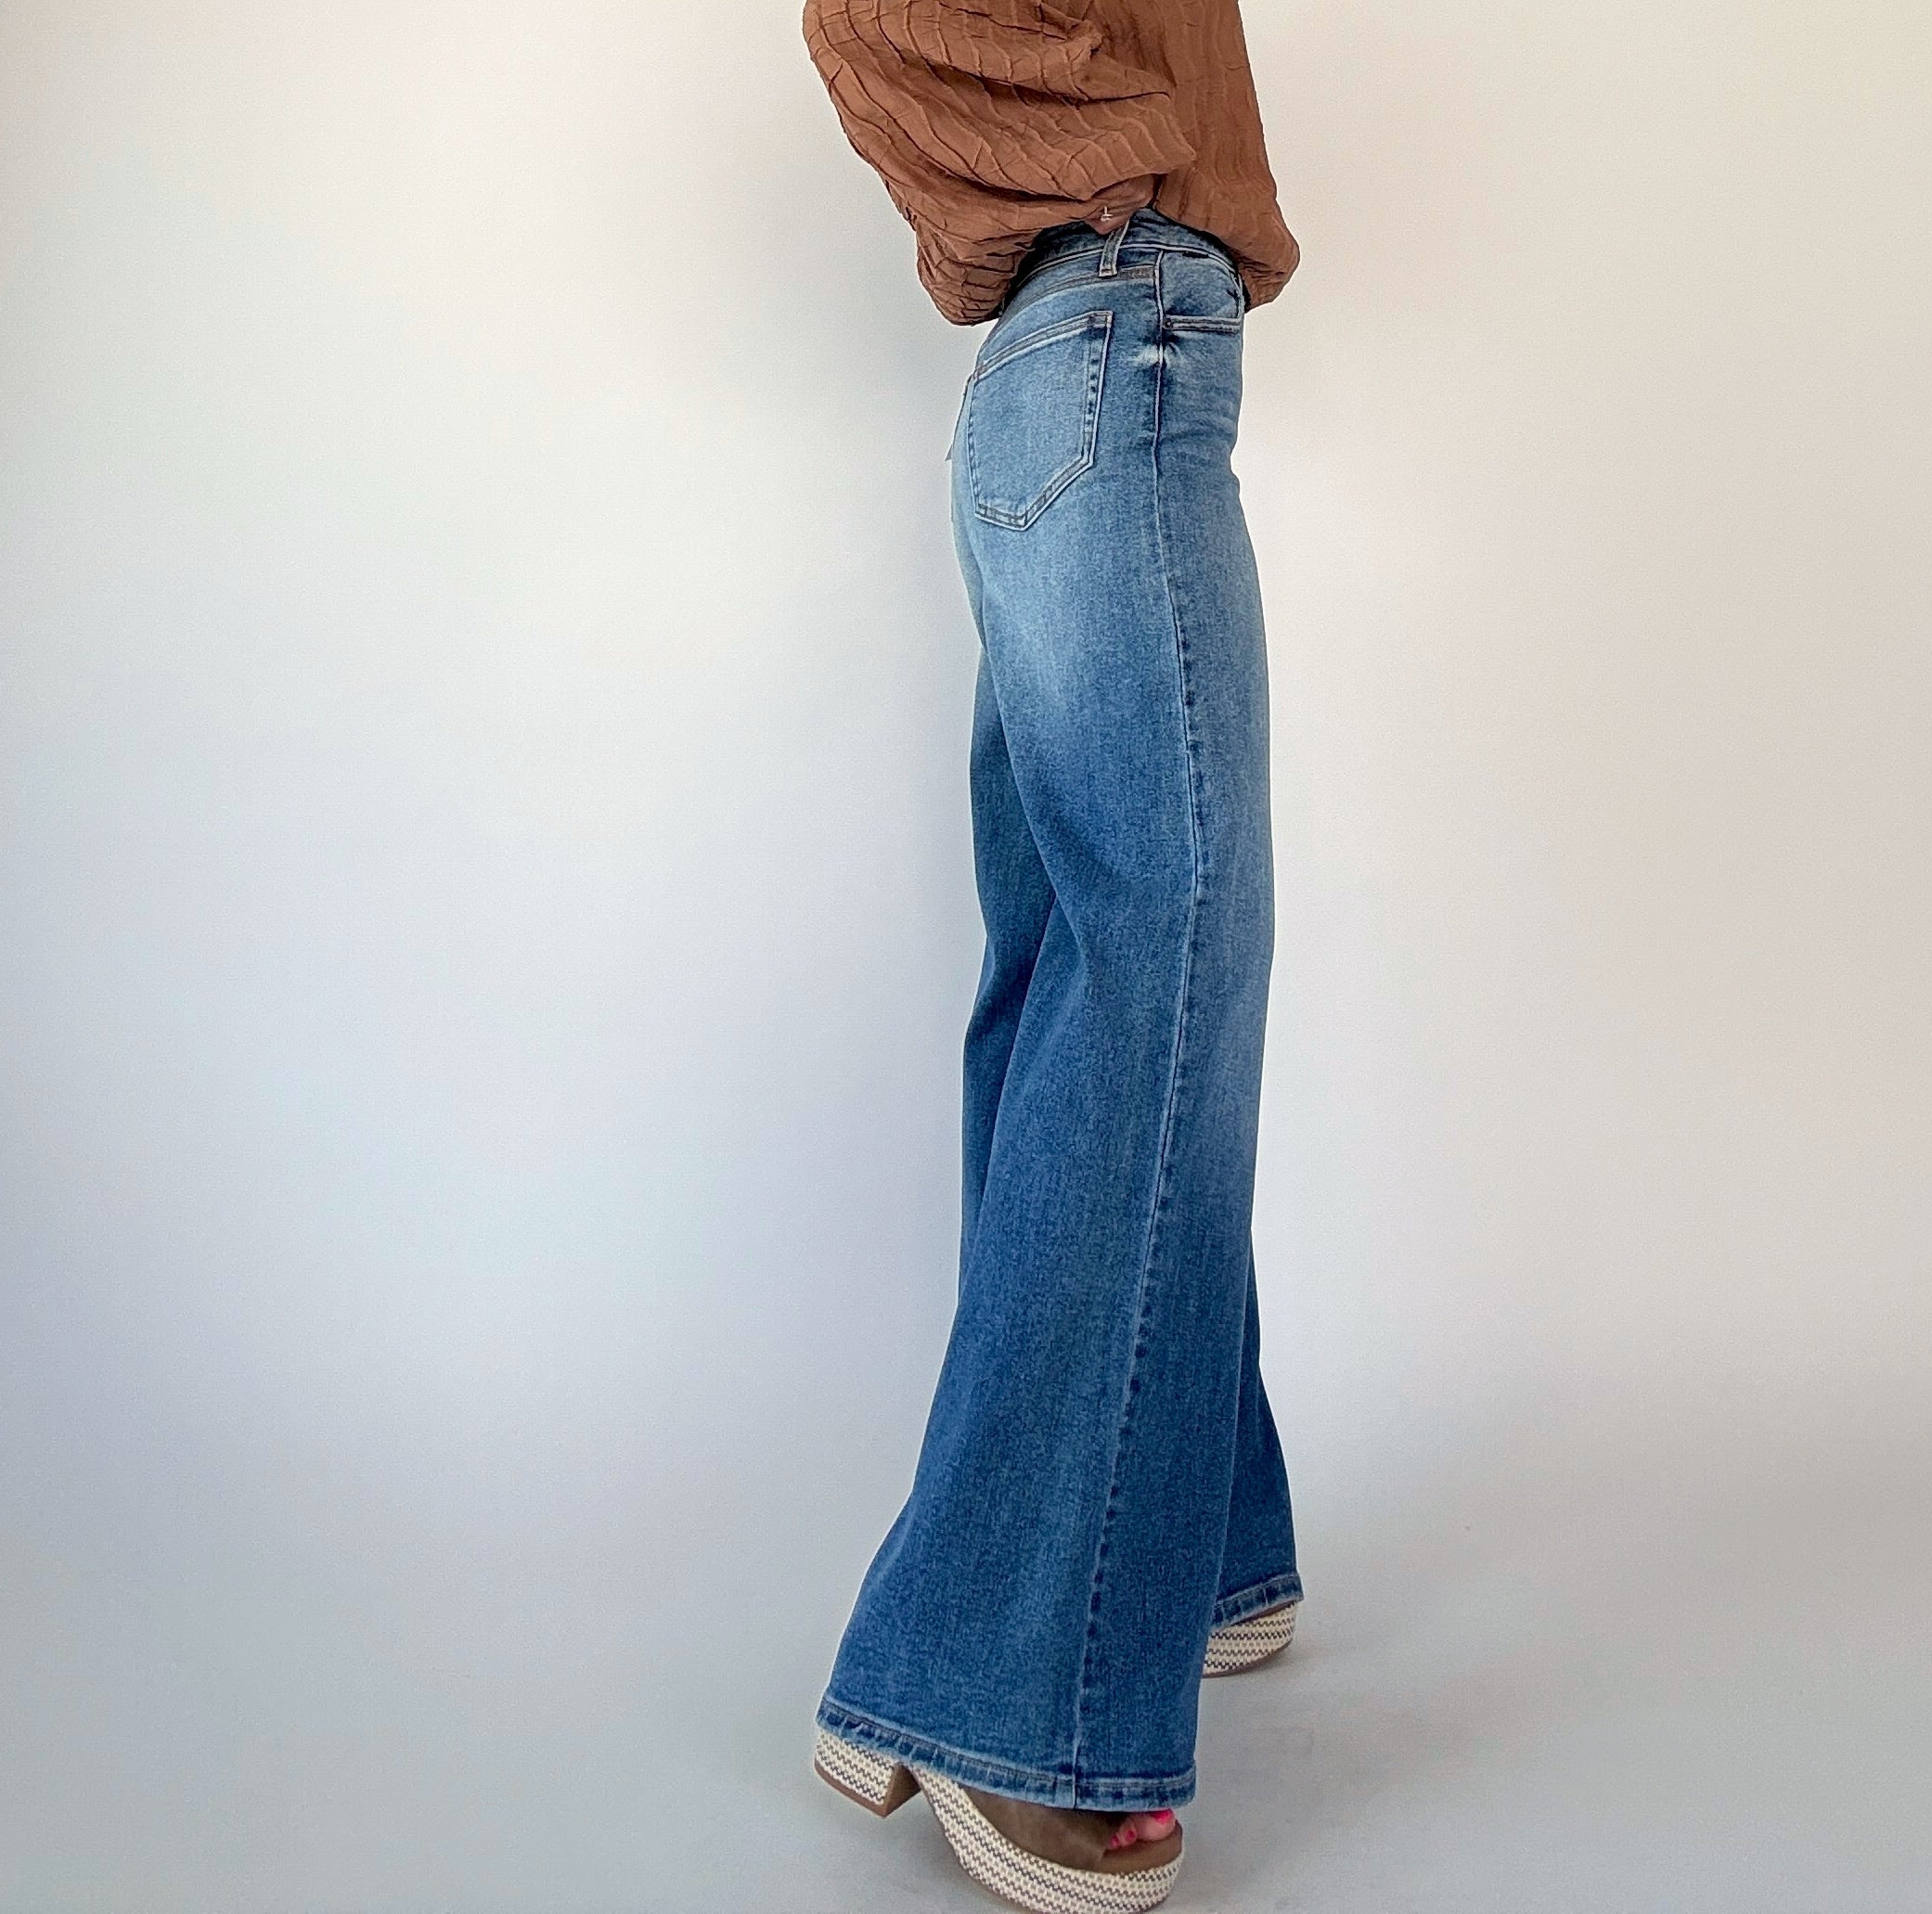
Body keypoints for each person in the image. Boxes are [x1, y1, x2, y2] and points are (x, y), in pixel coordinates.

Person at [796, 5, 1304, 1908]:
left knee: (1078, 986)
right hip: (1113, 339)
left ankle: (1193, 1548)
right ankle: (1003, 1682)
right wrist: (1101, 159)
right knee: (1155, 975)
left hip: (1082, 365)